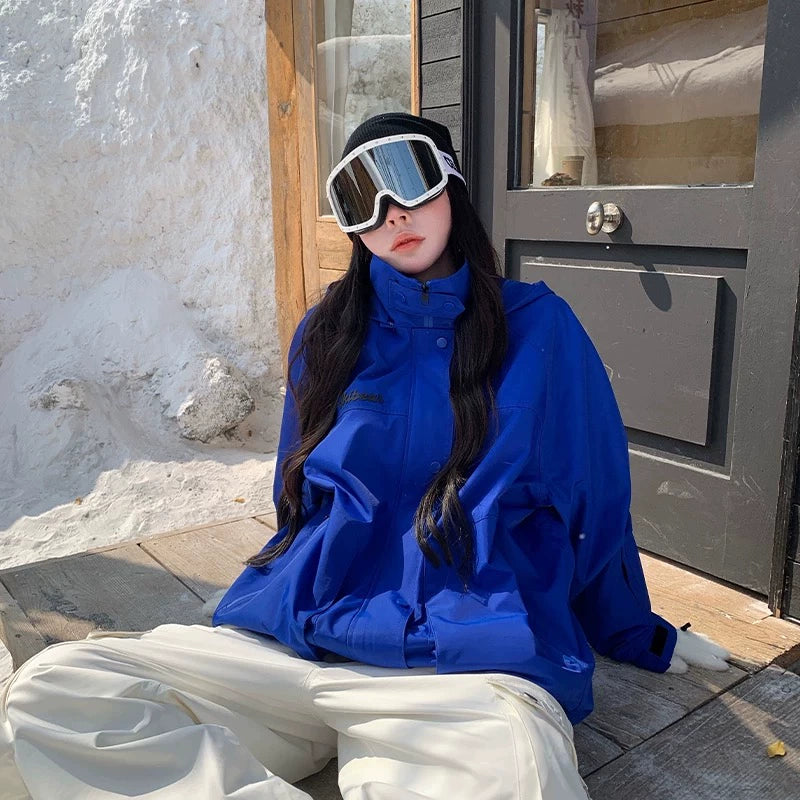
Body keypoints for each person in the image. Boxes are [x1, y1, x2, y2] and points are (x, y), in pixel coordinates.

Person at [0, 113, 730, 800]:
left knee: (520, 776)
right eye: (359, 195)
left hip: (460, 669)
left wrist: (638, 632)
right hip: (292, 646)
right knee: (59, 689)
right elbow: (297, 497)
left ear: (450, 183)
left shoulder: (540, 329)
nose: (390, 212)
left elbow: (595, 505)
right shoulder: (329, 333)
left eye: (406, 178)